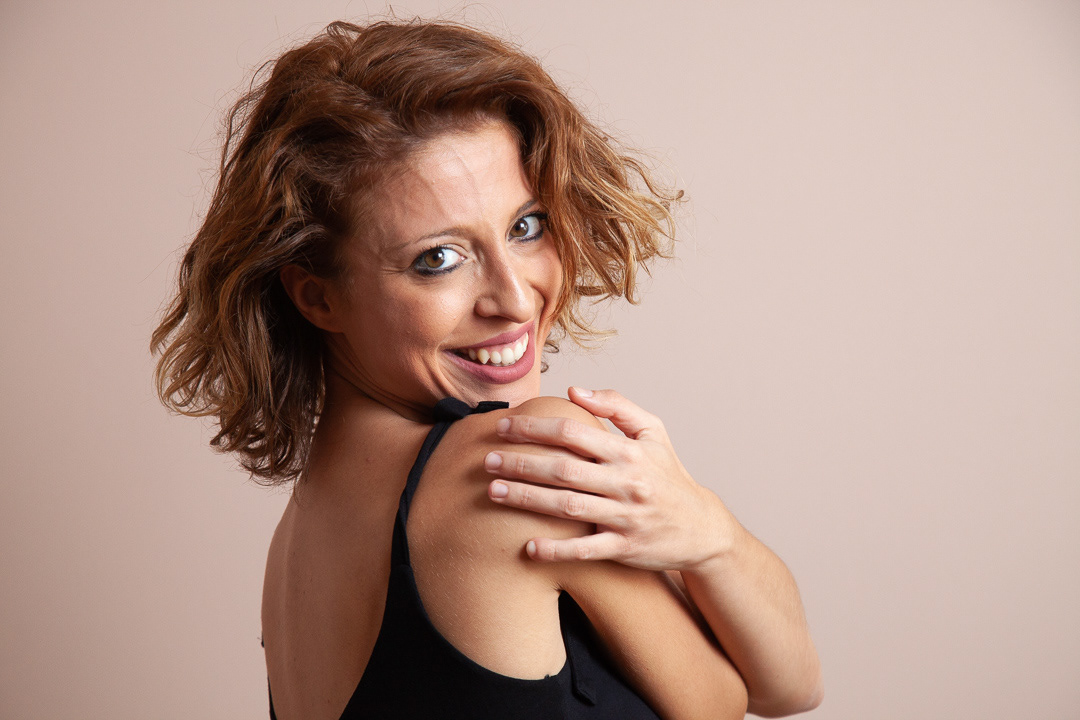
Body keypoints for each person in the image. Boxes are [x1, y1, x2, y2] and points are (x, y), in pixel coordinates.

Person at [152, 19, 822, 720]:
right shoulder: (515, 467)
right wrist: (706, 529)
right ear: (318, 297)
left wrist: (706, 530)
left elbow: (790, 689)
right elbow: (756, 695)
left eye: (525, 226)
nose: (515, 298)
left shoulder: (301, 538)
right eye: (438, 258)